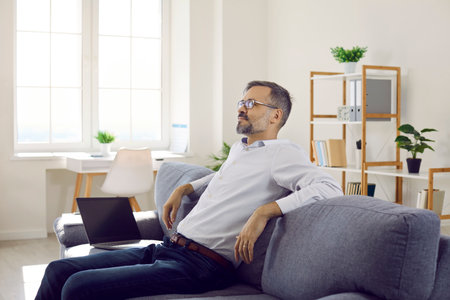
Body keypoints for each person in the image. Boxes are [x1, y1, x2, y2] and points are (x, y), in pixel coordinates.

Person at [36, 81, 343, 300]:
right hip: (170, 248)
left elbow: (330, 187)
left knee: (78, 287)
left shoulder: (283, 153)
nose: (241, 108)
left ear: (276, 115)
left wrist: (266, 211)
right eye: (241, 102)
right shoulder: (243, 149)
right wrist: (185, 187)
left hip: (203, 265)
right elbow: (222, 176)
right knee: (57, 270)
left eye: (252, 104)